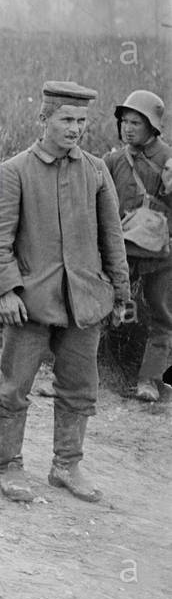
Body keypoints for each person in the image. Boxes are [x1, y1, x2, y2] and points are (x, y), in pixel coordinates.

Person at [0, 81, 132, 504]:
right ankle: (9, 466)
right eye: (66, 119)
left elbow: (112, 238)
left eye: (82, 121)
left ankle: (67, 464)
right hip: (30, 304)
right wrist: (5, 291)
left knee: (80, 387)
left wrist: (119, 295)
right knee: (13, 388)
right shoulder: (15, 171)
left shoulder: (96, 170)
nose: (75, 129)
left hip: (85, 303)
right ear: (43, 119)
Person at [103, 90, 171, 403]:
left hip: (160, 251)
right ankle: (81, 370)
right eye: (124, 122)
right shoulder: (114, 161)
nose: (128, 128)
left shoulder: (168, 160)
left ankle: (150, 379)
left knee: (161, 312)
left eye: (136, 122)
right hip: (122, 248)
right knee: (100, 302)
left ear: (153, 127)